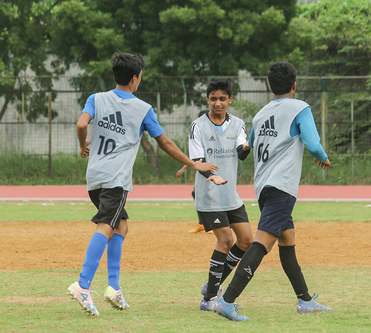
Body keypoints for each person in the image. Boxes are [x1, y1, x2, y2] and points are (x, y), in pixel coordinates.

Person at [68, 52, 218, 317]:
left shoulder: (96, 98)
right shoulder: (142, 108)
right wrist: (195, 164)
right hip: (116, 179)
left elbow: (82, 124)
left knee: (121, 225)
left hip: (94, 178)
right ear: (135, 78)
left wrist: (83, 145)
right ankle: (82, 284)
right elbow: (166, 143)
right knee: (106, 224)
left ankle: (113, 287)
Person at [213, 62, 333, 321]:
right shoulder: (300, 108)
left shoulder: (261, 114)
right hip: (282, 187)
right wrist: (322, 157)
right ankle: (227, 300)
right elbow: (312, 143)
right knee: (261, 244)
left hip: (264, 187)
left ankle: (305, 300)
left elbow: (249, 147)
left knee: (287, 239)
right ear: (294, 85)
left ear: (269, 86)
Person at [189, 79, 254, 311]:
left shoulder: (237, 124)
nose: (218, 103)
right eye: (214, 99)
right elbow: (196, 162)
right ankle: (209, 300)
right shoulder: (198, 125)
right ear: (208, 99)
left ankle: (212, 286)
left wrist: (247, 146)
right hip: (209, 195)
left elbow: (241, 152)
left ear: (230, 100)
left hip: (230, 195)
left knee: (246, 240)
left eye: (222, 99)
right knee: (225, 240)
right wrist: (212, 174)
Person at [176, 110, 211, 234]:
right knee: (196, 193)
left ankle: (219, 223)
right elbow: (196, 158)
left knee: (213, 196)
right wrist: (183, 169)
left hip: (213, 171)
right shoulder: (199, 134)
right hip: (202, 171)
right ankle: (202, 223)